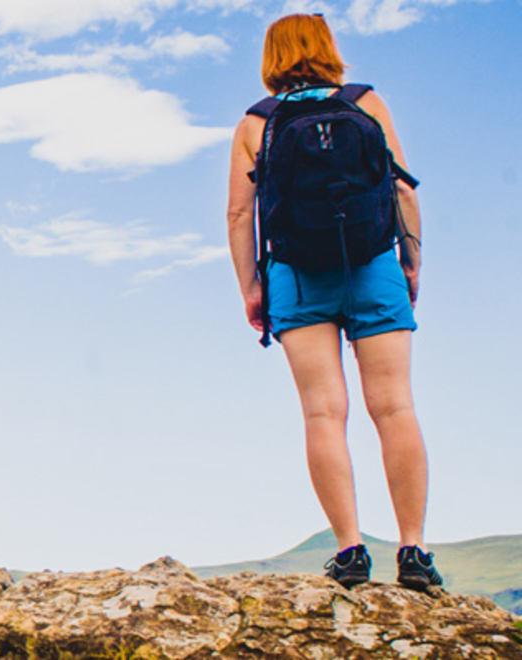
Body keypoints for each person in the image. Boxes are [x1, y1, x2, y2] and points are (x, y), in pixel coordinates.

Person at [226, 15, 441, 590]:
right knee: (394, 407)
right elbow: (400, 187)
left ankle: (350, 550)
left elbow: (240, 214)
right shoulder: (366, 103)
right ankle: (414, 550)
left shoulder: (257, 121)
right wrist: (411, 262)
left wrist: (253, 287)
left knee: (325, 412)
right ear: (328, 50)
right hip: (374, 265)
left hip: (296, 273)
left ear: (272, 57)